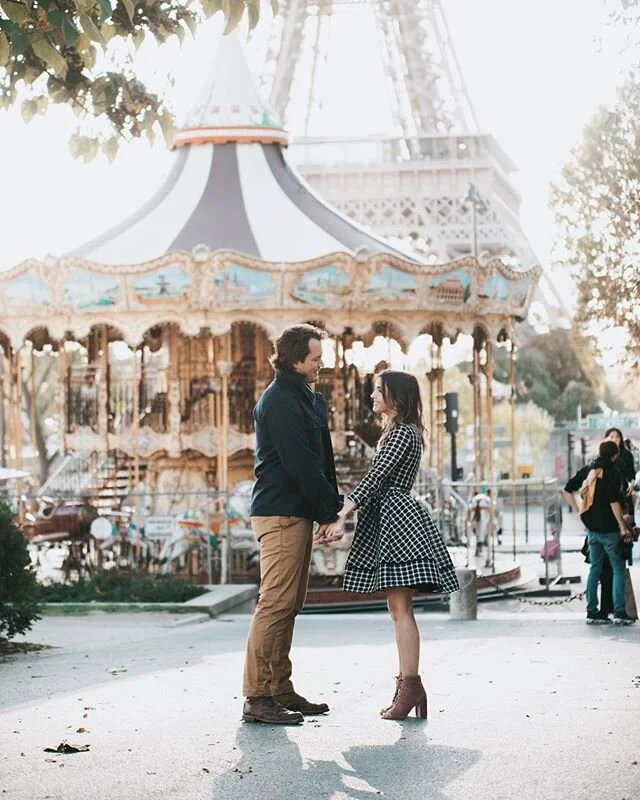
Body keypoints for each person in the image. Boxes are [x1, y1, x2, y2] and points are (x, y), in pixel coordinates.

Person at [315, 370, 460, 719]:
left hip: (396, 518)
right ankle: (410, 686)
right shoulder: (398, 433)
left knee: (401, 611)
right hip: (390, 516)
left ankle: (410, 685)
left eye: (379, 391)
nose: (373, 396)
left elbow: (376, 478)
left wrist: (343, 513)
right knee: (398, 611)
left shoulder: (401, 435)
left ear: (396, 397)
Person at [241, 324, 342, 725]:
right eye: (316, 358)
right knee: (275, 603)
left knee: (289, 604)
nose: (322, 364)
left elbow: (322, 458)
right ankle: (256, 696)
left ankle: (278, 689)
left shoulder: (301, 396)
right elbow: (300, 462)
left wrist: (326, 508)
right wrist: (328, 510)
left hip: (294, 510)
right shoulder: (281, 400)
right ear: (295, 358)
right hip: (281, 510)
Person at [563, 439, 636, 626]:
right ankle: (619, 611)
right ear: (616, 454)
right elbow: (614, 502)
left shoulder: (589, 470)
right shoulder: (613, 472)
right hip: (610, 530)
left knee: (594, 569)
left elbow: (567, 489)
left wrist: (580, 512)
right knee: (617, 568)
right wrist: (621, 526)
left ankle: (592, 611)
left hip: (592, 530)